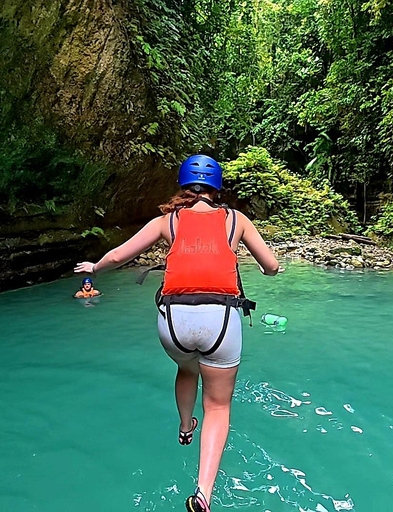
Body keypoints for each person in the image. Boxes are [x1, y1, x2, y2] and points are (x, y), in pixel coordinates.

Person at [74, 155, 280, 512]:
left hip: (173, 322)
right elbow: (272, 267)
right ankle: (203, 493)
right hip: (220, 318)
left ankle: (185, 428)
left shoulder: (167, 221)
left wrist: (94, 266)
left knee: (186, 368)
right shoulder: (237, 220)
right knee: (217, 405)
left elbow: (121, 255)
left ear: (184, 185)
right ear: (217, 188)